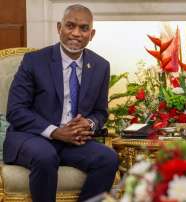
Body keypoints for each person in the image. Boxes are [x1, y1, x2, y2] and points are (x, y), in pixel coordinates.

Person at [4, 4, 119, 202]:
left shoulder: (101, 66)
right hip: (32, 137)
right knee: (45, 156)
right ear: (59, 28)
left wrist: (89, 124)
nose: (76, 33)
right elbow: (15, 110)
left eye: (84, 28)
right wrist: (55, 132)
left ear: (92, 34)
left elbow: (101, 112)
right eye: (70, 26)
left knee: (108, 159)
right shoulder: (34, 61)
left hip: (72, 142)